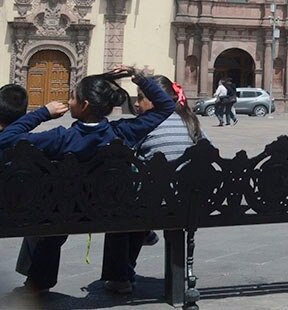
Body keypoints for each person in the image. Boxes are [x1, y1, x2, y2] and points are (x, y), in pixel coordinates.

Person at [0, 66, 175, 293]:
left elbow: (6, 139)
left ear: (84, 106)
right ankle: (120, 277)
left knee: (52, 219)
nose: (69, 101)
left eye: (73, 97)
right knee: (119, 206)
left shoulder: (60, 138)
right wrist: (140, 78)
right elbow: (167, 106)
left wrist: (43, 112)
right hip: (111, 209)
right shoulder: (122, 132)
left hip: (68, 211)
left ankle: (38, 281)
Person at [101, 77, 206, 294]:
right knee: (146, 197)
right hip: (192, 203)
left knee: (120, 209)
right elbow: (209, 152)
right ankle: (144, 231)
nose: (137, 104)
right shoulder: (190, 120)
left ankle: (120, 278)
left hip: (155, 206)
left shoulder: (145, 125)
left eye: (141, 98)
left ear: (158, 99)